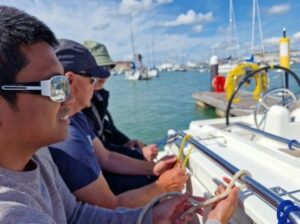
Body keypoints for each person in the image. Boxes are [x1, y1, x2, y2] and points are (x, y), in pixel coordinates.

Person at [0, 5, 238, 224]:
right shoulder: (11, 213)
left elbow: (75, 215)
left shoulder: (39, 155)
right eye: (55, 86)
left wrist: (153, 216)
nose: (69, 98)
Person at [49, 39, 188, 209]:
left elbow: (107, 157)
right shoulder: (69, 137)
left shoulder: (76, 116)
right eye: (92, 80)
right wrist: (162, 187)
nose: (96, 86)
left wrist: (153, 169)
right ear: (70, 81)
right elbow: (109, 206)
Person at [82, 41, 158, 194]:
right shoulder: (78, 109)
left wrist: (126, 142)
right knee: (146, 180)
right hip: (94, 167)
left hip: (104, 155)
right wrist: (139, 156)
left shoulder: (98, 97)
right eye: (98, 69)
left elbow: (107, 128)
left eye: (107, 68)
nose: (104, 75)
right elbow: (102, 154)